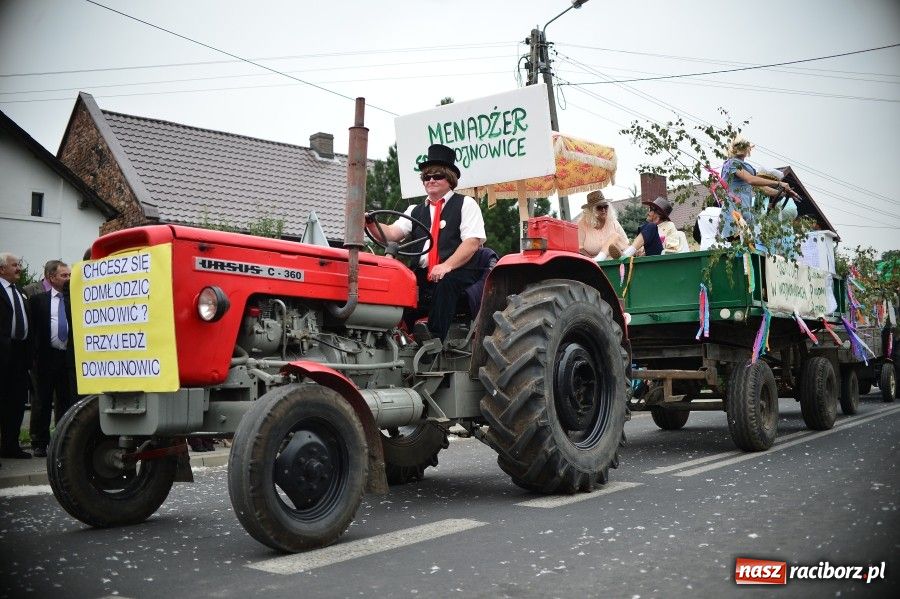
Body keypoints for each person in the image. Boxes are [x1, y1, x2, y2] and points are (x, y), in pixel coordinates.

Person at [365, 144, 486, 341]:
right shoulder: (415, 210)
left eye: (437, 176)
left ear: (450, 179)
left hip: (458, 270)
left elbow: (472, 243)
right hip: (424, 272)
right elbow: (392, 234)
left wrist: (446, 265)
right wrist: (370, 223)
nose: (430, 180)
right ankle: (395, 333)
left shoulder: (466, 204)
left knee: (446, 282)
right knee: (398, 279)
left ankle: (433, 338)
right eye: (426, 177)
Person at [27, 260, 77, 457]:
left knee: (66, 400)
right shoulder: (39, 300)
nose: (68, 279)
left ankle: (62, 440)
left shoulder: (73, 299)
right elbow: (33, 330)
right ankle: (39, 442)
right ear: (51, 277)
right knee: (42, 401)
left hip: (67, 358)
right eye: (64, 276)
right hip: (45, 358)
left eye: (69, 275)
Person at [720, 135, 794, 239]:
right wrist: (779, 183)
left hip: (746, 213)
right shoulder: (731, 163)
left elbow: (762, 188)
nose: (742, 148)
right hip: (734, 213)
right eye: (739, 145)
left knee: (751, 246)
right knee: (737, 245)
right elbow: (750, 179)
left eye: (744, 145)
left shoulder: (746, 166)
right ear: (733, 148)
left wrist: (783, 193)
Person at [0, 252, 33, 460]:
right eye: (15, 265)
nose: (19, 268)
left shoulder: (21, 292)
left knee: (17, 402)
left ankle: (10, 447)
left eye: (19, 264)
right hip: (2, 352)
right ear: (2, 269)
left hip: (19, 354)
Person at [610, 197, 680, 258]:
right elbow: (640, 248)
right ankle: (624, 253)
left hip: (661, 259)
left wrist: (645, 253)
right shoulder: (647, 228)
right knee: (617, 237)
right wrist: (639, 252)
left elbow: (672, 250)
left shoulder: (669, 225)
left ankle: (626, 255)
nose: (648, 212)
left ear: (658, 214)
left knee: (651, 226)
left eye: (651, 209)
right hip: (647, 258)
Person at [576, 190, 628, 260]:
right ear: (591, 210)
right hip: (592, 261)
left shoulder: (613, 221)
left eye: (606, 206)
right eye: (599, 207)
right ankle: (599, 259)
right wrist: (591, 259)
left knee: (615, 236)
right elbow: (580, 248)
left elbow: (625, 242)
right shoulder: (582, 224)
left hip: (613, 259)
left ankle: (601, 257)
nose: (603, 210)